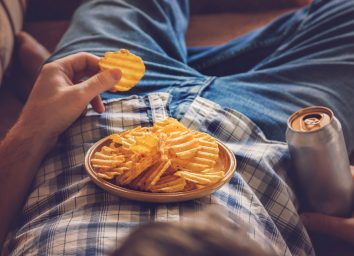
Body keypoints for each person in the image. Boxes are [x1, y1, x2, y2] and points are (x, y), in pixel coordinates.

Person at [1, 0, 354, 255]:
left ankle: (52, 71)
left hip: (95, 108)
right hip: (264, 137)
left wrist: (33, 126)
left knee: (115, 8)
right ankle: (208, 65)